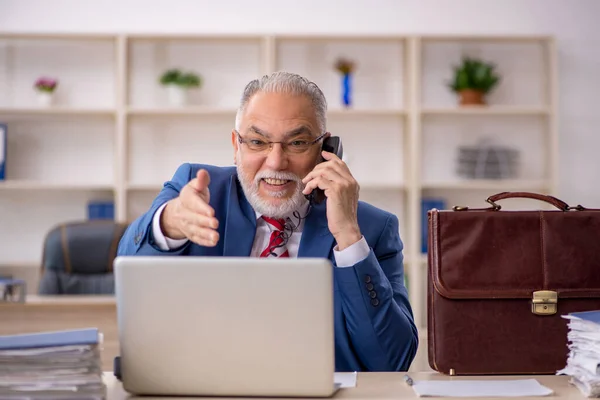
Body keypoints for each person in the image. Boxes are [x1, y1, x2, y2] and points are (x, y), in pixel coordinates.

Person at [117, 71, 418, 372]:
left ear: (326, 150)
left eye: (297, 143)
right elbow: (131, 276)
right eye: (258, 142)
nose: (275, 162)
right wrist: (168, 223)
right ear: (236, 145)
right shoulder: (197, 190)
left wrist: (349, 236)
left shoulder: (372, 228)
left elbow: (392, 361)